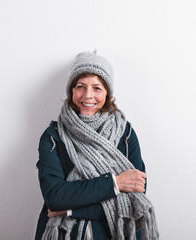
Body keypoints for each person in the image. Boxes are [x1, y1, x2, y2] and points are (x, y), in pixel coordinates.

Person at [35, 51, 159, 240]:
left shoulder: (125, 133)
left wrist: (70, 210)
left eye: (97, 88)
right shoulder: (53, 136)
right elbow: (54, 196)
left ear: (107, 93)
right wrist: (115, 183)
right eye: (80, 86)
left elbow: (135, 198)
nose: (87, 95)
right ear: (71, 90)